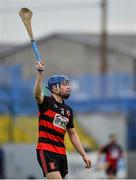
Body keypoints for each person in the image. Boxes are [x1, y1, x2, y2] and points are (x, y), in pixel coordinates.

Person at [34, 60, 92, 179]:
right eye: (65, 84)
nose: (68, 87)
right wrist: (40, 74)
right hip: (46, 150)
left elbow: (73, 134)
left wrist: (84, 155)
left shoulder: (68, 110)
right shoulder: (46, 103)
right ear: (55, 88)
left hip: (61, 152)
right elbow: (37, 94)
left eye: (68, 84)